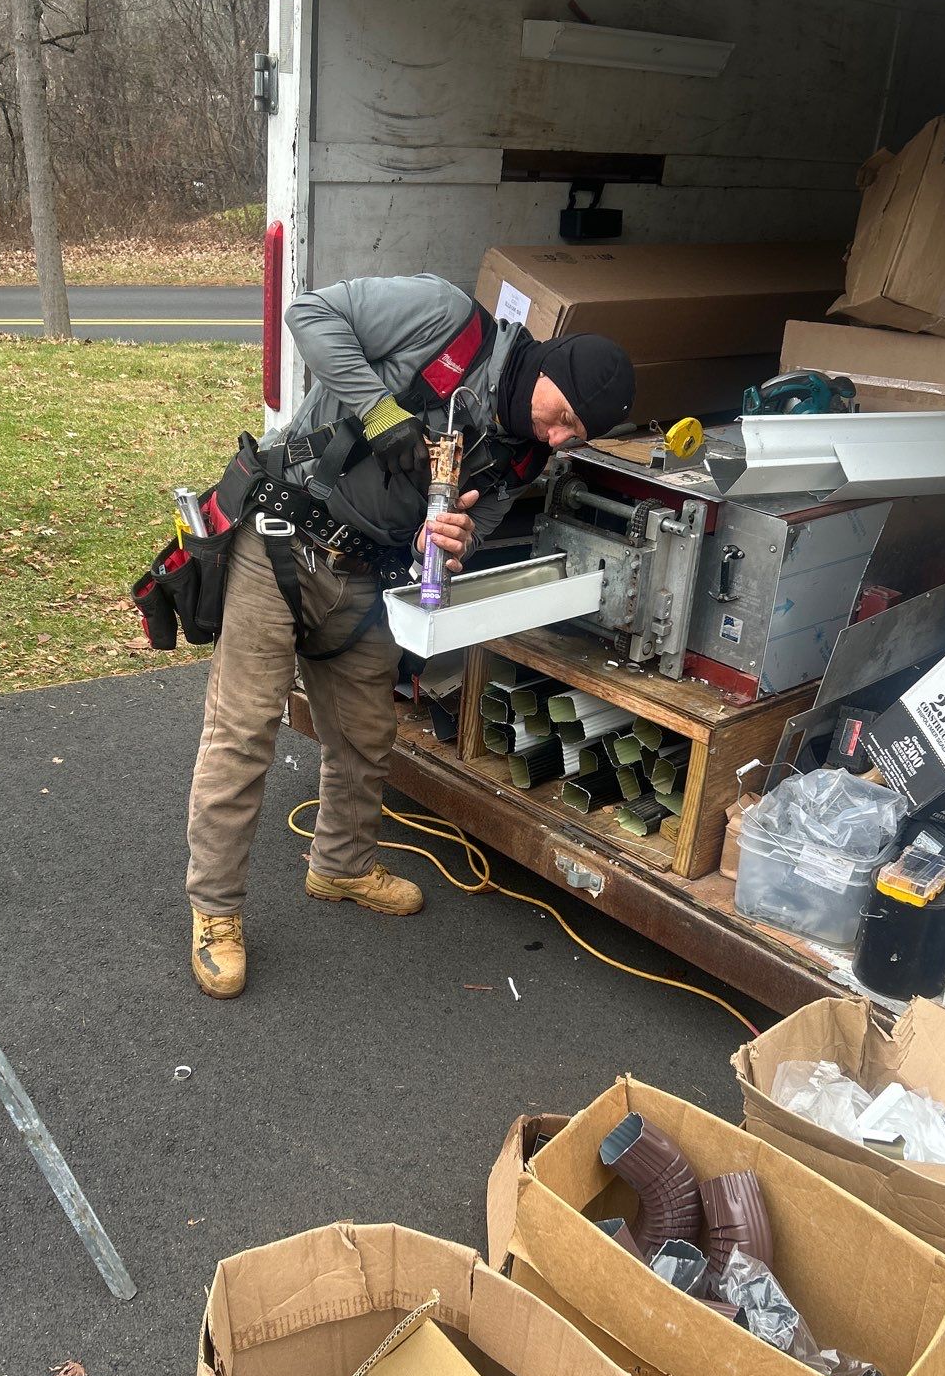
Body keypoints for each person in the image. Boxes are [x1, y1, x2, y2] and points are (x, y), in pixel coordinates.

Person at [186, 272, 636, 998]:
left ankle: (340, 865)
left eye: (574, 438)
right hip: (282, 541)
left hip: (367, 576)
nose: (557, 438)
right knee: (243, 733)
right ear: (553, 368)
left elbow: (470, 533)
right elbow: (308, 311)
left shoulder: (519, 457)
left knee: (366, 734)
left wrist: (451, 543)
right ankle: (215, 913)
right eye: (563, 418)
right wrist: (382, 413)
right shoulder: (444, 319)